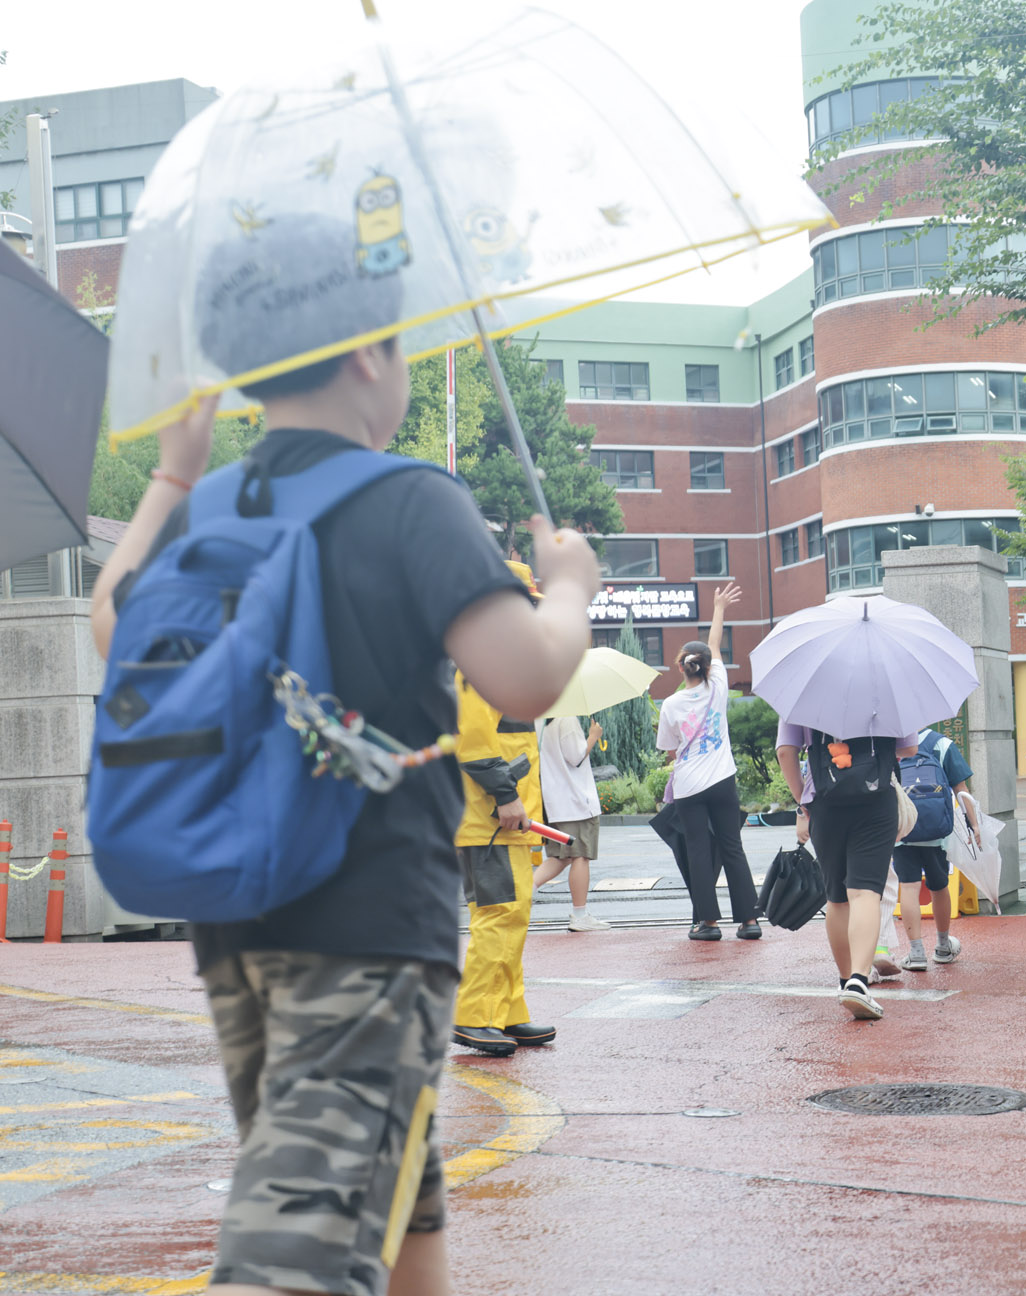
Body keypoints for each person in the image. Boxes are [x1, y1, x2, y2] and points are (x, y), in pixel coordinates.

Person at [89, 214, 599, 1294]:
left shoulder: (218, 505)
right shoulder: (409, 498)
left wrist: (175, 475)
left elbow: (110, 622)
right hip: (371, 916)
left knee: (386, 1179)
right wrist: (568, 588)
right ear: (371, 351)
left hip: (236, 909)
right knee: (301, 1236)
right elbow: (523, 677)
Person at [452, 578, 564, 1055]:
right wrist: (505, 796)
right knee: (498, 915)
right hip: (490, 821)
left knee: (511, 915)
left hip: (503, 821)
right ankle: (475, 1015)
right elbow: (474, 742)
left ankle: (507, 1012)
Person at [778, 723, 921, 1019]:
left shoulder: (805, 687)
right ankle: (859, 980)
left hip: (825, 801)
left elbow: (785, 751)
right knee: (865, 892)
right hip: (875, 798)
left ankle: (845, 981)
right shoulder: (885, 684)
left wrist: (803, 804)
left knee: (837, 897)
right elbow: (909, 748)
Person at [657, 583, 762, 941]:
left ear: (681, 668)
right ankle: (749, 922)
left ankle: (709, 924)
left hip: (689, 786)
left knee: (699, 851)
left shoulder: (670, 705)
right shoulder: (718, 686)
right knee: (733, 847)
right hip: (723, 781)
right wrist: (719, 608)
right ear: (706, 667)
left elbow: (670, 749)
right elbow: (714, 645)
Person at [892, 726, 978, 970]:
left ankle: (916, 952)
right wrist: (974, 825)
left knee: (908, 887)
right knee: (939, 886)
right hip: (936, 831)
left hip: (902, 829)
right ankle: (942, 946)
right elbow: (961, 789)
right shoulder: (940, 744)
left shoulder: (889, 742)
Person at [536, 714, 608, 932]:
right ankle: (579, 915)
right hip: (575, 801)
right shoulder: (566, 719)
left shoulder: (539, 719)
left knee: (560, 856)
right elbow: (575, 756)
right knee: (580, 856)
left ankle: (521, 893)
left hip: (553, 801)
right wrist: (593, 736)